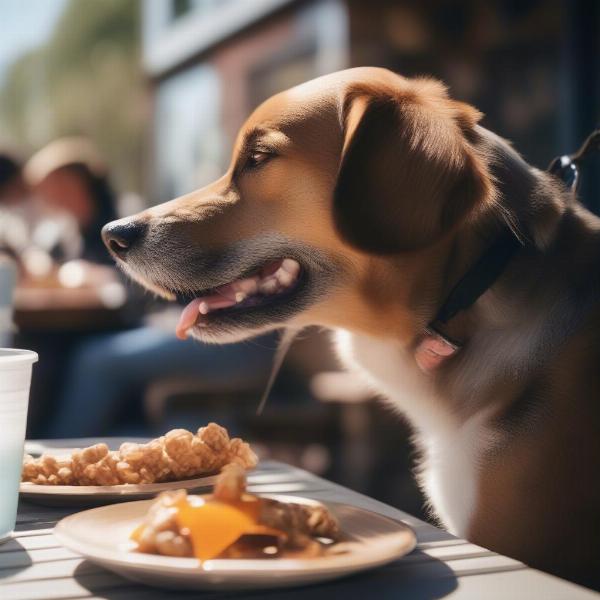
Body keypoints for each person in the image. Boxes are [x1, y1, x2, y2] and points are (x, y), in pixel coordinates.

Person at [24, 137, 119, 264]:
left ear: (75, 180)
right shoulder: (65, 232)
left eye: (52, 185)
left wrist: (100, 276)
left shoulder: (121, 218)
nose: (45, 197)